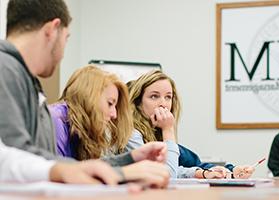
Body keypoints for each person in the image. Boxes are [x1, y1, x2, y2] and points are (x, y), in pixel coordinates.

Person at [0, 0, 169, 187]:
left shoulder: (22, 77)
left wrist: (128, 160)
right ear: (52, 29)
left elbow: (51, 165)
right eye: (66, 38)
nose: (63, 52)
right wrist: (121, 172)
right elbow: (20, 158)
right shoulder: (6, 68)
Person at [127, 70, 255, 179]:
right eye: (154, 96)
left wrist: (229, 172)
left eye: (168, 97)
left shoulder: (157, 133)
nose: (163, 104)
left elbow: (189, 163)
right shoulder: (132, 134)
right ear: (138, 102)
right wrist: (168, 130)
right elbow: (167, 176)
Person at [50, 65, 133, 160]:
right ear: (89, 98)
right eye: (110, 103)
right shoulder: (56, 120)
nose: (114, 114)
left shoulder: (81, 131)